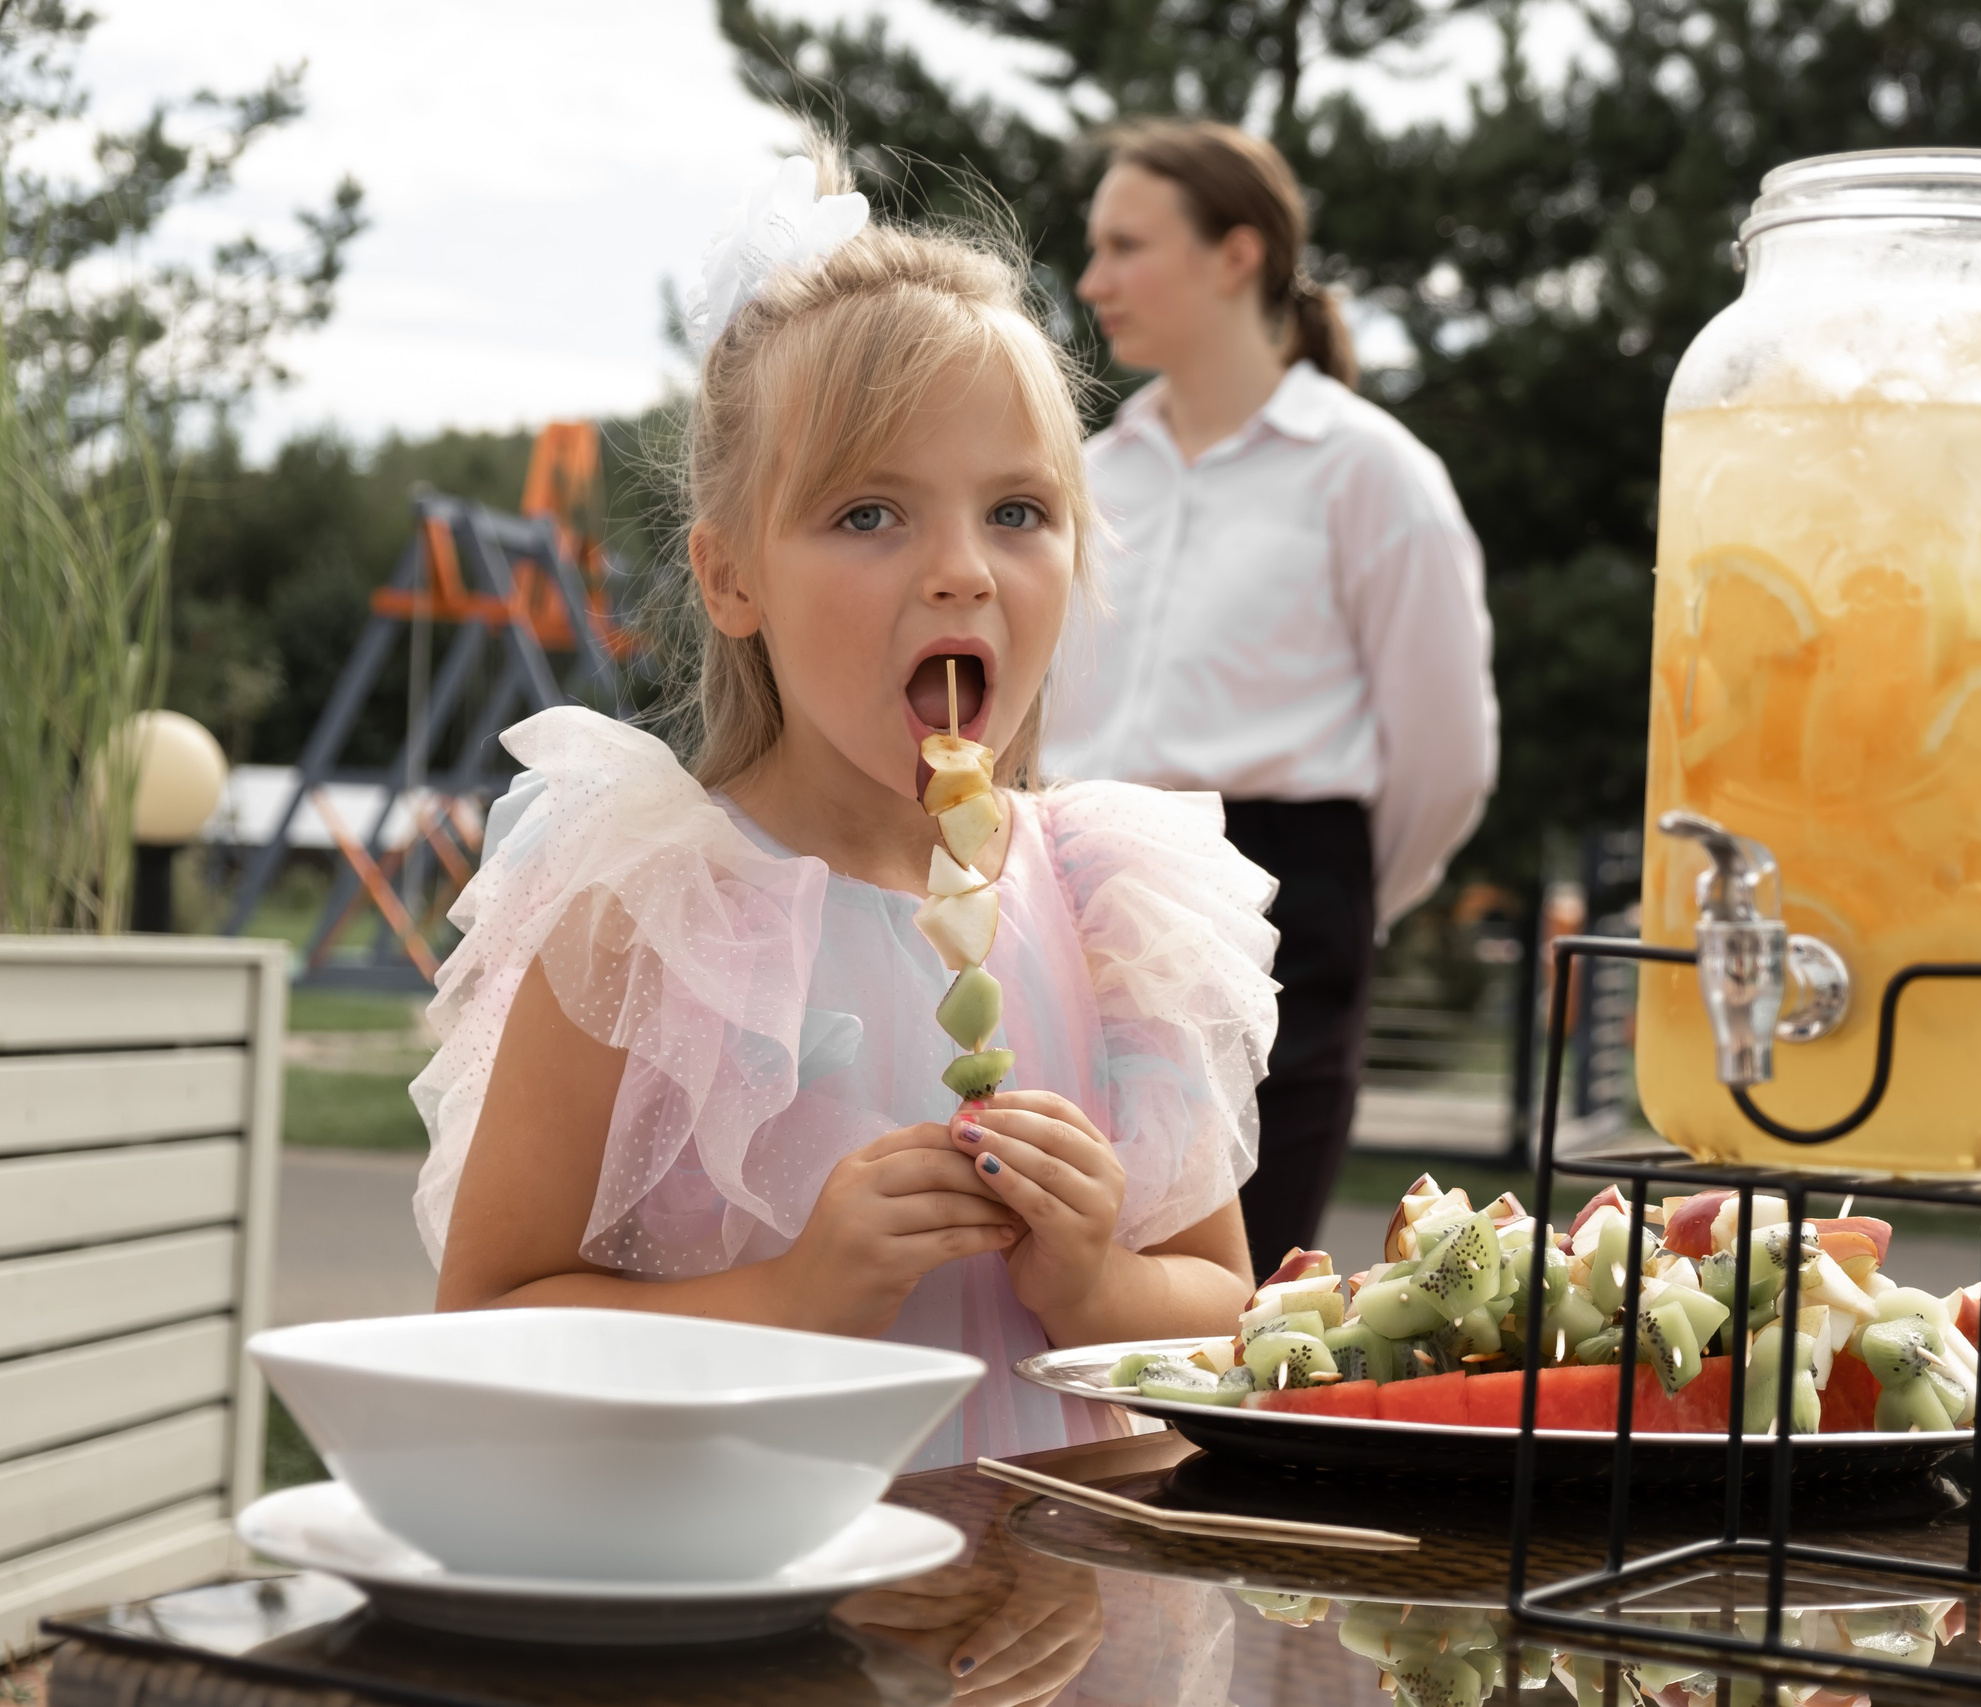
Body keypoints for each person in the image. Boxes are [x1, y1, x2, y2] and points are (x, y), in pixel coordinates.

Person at [408, 143, 1281, 1468]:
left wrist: (1098, 1282)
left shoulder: (1112, 907)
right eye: (870, 511)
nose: (959, 571)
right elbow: (485, 1322)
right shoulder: (649, 916)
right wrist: (792, 1299)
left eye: (1017, 510)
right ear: (730, 575)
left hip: (1068, 1620)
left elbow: (1228, 1304)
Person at [1052, 119, 1499, 1278]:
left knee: (1244, 1301)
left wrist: (1331, 910)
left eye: (1124, 246)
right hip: (1074, 896)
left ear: (1234, 255)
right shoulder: (1086, 478)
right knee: (1060, 1270)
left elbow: (1446, 756)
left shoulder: (1371, 470)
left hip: (1280, 907)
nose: (1092, 280)